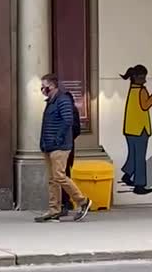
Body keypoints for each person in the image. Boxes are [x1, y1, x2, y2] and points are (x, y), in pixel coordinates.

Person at [35, 74, 92, 223]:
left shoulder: (63, 100)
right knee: (53, 179)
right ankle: (54, 209)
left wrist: (57, 138)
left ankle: (83, 201)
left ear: (52, 86)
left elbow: (68, 121)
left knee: (59, 176)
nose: (42, 89)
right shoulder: (51, 101)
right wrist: (45, 143)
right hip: (49, 146)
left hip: (60, 146)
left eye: (44, 85)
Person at [121, 65, 152, 195]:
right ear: (136, 77)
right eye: (143, 77)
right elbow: (145, 106)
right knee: (139, 158)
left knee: (133, 154)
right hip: (140, 129)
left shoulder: (132, 89)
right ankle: (139, 185)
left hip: (129, 128)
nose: (145, 79)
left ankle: (127, 175)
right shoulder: (142, 90)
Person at [60, 92, 82, 216]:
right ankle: (65, 202)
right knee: (63, 174)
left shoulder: (69, 111)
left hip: (64, 147)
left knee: (62, 175)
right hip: (66, 146)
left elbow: (75, 129)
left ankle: (67, 202)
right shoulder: (71, 110)